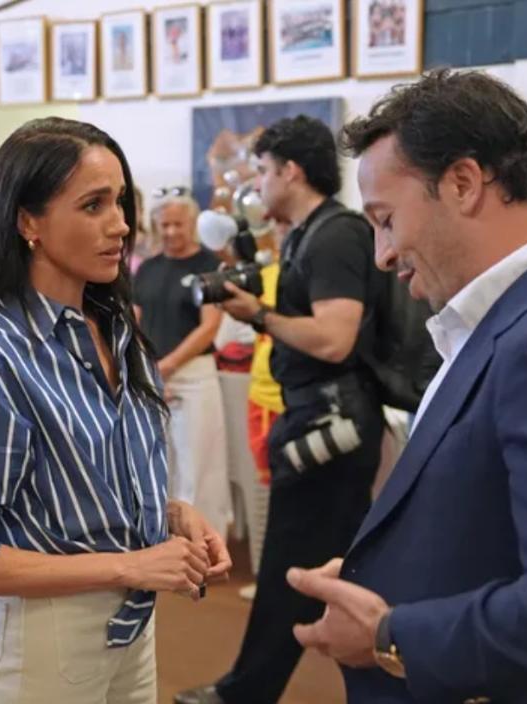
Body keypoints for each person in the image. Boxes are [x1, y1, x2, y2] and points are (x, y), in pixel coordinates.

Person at [284, 69, 527, 703]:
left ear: (463, 184)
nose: (382, 254)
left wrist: (390, 633)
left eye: (386, 219)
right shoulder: (516, 325)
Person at [0, 117, 232, 704]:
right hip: (46, 644)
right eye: (93, 205)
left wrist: (169, 513)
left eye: (120, 203)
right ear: (27, 221)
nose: (121, 225)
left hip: (131, 631)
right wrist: (127, 566)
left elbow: (79, 489)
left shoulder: (113, 327)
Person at [176, 115, 385, 704]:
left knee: (291, 569)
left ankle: (245, 692)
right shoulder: (306, 233)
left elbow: (334, 338)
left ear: (291, 171)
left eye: (265, 171)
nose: (259, 184)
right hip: (320, 418)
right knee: (330, 565)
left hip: (331, 423)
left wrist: (258, 316)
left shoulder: (337, 234)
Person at [133, 190, 231, 540]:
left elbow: (209, 327)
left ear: (191, 222)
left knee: (199, 465)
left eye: (178, 224)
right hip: (152, 374)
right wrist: (147, 369)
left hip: (194, 375)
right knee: (162, 464)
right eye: (165, 225)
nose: (172, 231)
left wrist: (169, 365)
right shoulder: (147, 269)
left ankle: (206, 545)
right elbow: (134, 323)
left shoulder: (210, 266)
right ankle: (166, 542)